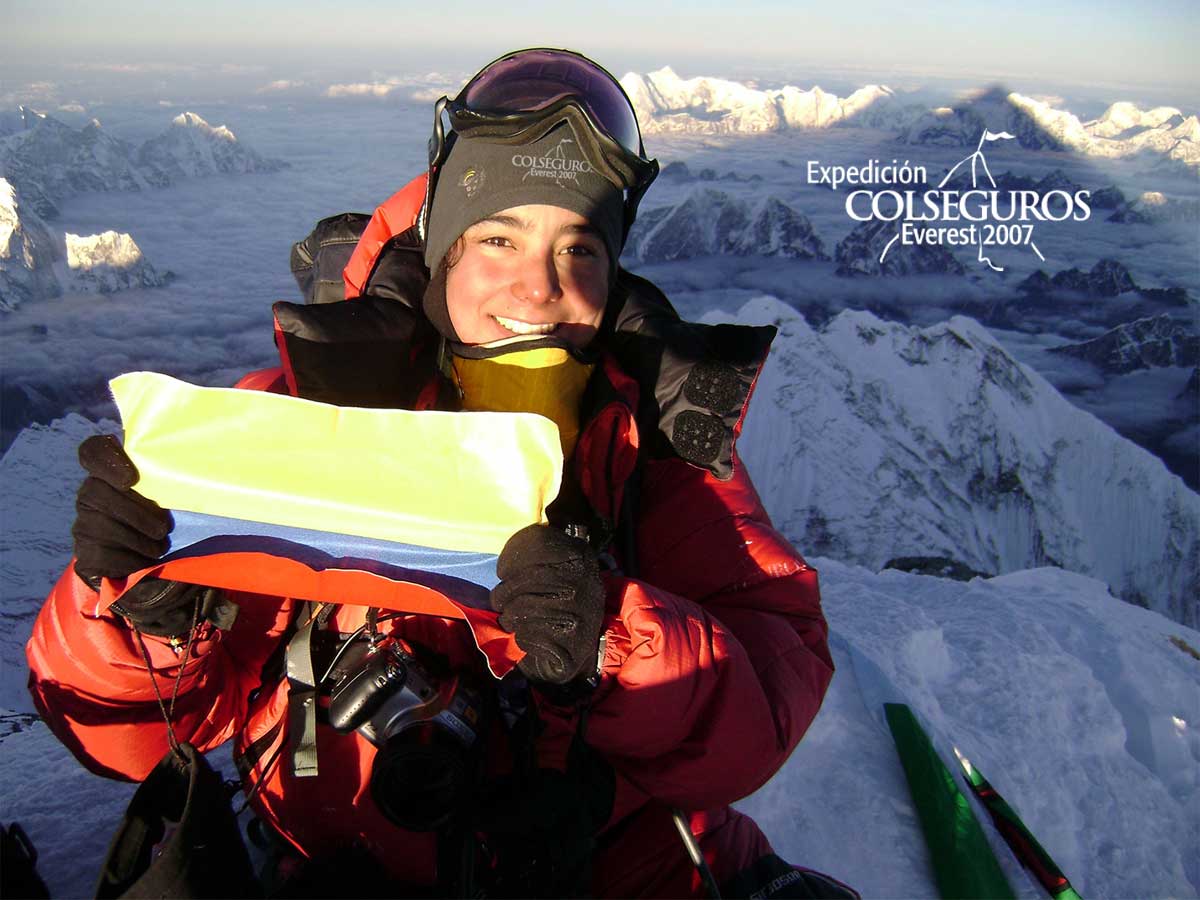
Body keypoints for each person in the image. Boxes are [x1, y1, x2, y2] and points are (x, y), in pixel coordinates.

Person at [27, 48, 852, 898]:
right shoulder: (309, 418)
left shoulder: (655, 438)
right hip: (333, 866)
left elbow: (769, 699)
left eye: (580, 248)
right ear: (442, 256)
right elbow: (117, 740)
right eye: (499, 238)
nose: (540, 289)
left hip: (610, 864)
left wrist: (613, 635)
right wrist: (140, 612)